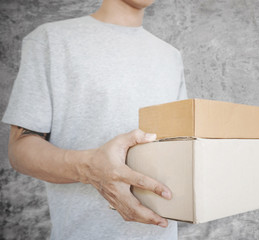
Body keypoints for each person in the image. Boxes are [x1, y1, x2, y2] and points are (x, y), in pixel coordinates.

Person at [2, 0, 187, 239]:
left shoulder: (171, 56)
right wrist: (89, 167)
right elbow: (19, 150)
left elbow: (180, 144)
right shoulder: (51, 40)